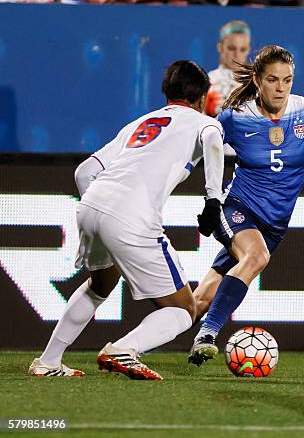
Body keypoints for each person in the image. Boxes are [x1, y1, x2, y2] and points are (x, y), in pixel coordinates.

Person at [28, 60, 225, 380]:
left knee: (99, 285)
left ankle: (48, 362)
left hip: (91, 205)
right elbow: (214, 142)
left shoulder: (139, 123)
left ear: (167, 92)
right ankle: (123, 349)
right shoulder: (203, 123)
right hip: (132, 215)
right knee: (185, 310)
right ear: (203, 97)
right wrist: (213, 200)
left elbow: (84, 172)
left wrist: (102, 209)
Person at [187, 45, 304, 366]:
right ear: (258, 81)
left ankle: (136, 343)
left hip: (273, 226)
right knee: (256, 256)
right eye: (273, 80)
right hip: (236, 208)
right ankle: (208, 333)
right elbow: (197, 146)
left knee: (201, 299)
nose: (281, 88)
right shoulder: (236, 118)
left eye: (287, 80)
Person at [205, 20, 252, 117]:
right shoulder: (207, 81)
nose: (237, 54)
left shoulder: (256, 83)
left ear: (248, 50)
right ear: (220, 47)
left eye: (242, 49)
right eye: (231, 48)